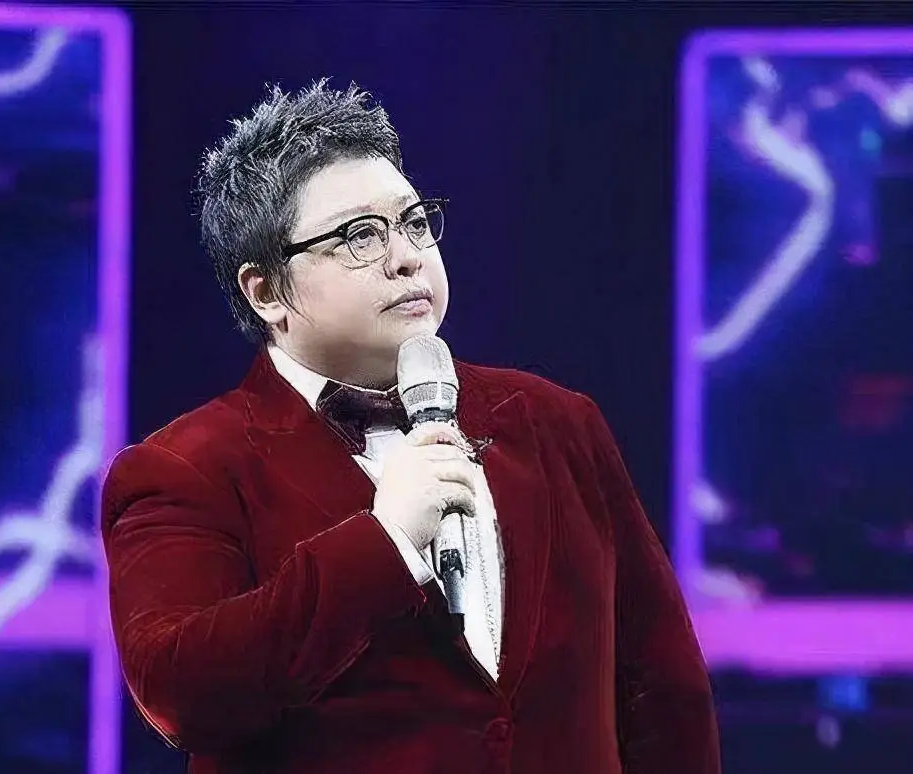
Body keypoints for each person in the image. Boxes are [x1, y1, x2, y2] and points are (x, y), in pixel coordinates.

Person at [101, 80, 720, 774]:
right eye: (359, 237)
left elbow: (663, 690)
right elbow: (182, 691)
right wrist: (386, 541)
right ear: (267, 292)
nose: (406, 256)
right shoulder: (184, 468)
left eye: (415, 222)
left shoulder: (556, 422)